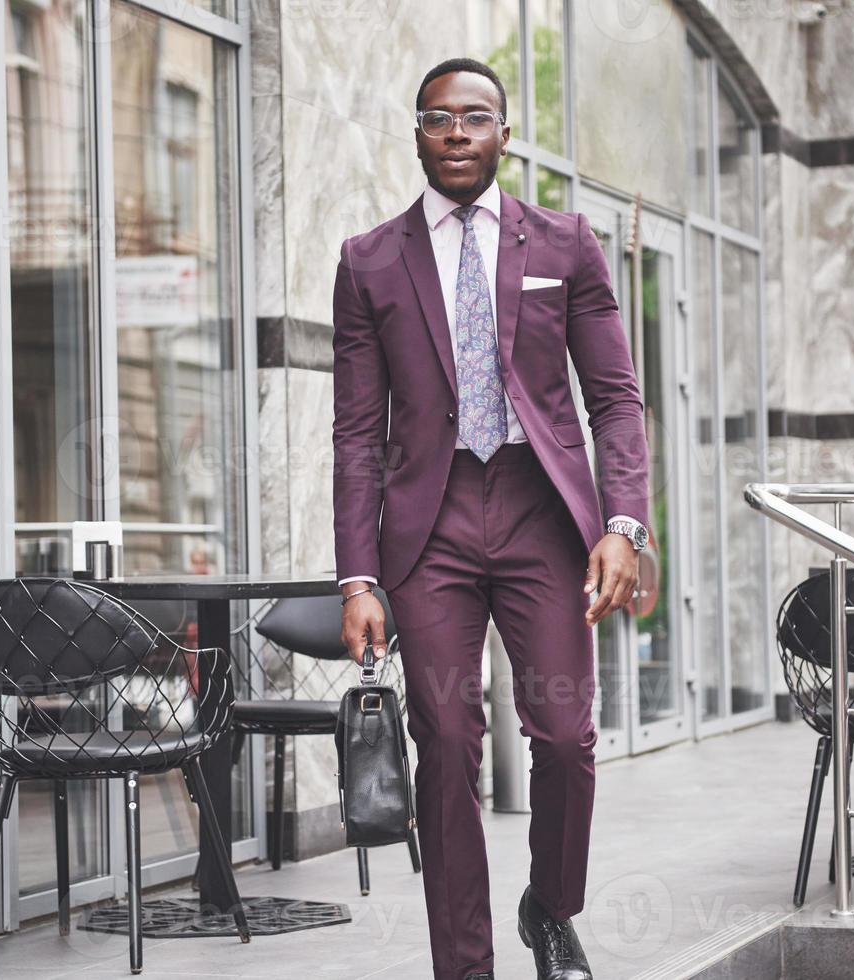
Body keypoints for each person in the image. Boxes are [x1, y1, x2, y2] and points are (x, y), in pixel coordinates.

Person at [331, 57, 651, 980]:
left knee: (562, 738)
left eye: (476, 118)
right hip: (424, 531)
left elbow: (617, 401)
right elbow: (356, 431)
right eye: (438, 118)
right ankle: (462, 967)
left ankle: (550, 908)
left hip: (541, 516)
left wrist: (623, 523)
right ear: (419, 134)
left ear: (505, 134)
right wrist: (357, 576)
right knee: (446, 741)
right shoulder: (369, 261)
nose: (458, 133)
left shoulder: (565, 244)